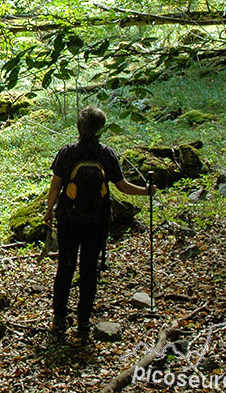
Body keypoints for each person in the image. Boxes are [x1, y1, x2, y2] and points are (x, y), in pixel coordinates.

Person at [42, 106, 153, 343]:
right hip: (98, 221)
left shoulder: (67, 153)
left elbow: (55, 186)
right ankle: (83, 322)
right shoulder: (107, 154)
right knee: (89, 270)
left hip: (68, 219)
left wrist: (49, 210)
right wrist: (147, 192)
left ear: (78, 128)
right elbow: (122, 187)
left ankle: (59, 320)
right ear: (101, 129)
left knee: (66, 267)